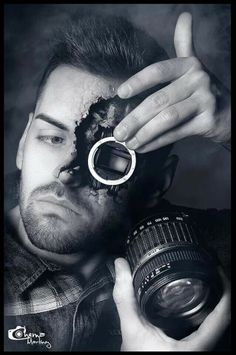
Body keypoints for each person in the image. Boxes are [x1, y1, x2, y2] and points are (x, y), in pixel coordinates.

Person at [4, 11, 231, 351]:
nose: (66, 172)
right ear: (23, 143)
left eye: (108, 157)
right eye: (51, 138)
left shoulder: (181, 250)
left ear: (157, 183)